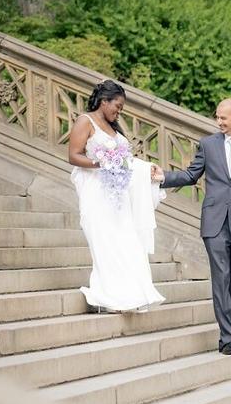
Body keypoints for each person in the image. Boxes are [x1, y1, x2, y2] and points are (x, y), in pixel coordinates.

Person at [152, 98, 231, 355]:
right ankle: (227, 337)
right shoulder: (207, 144)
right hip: (215, 222)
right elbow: (190, 174)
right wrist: (163, 177)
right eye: (217, 117)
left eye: (223, 118)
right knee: (222, 277)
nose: (219, 122)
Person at [69, 79, 165, 313]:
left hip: (118, 197)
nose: (119, 111)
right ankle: (108, 295)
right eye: (117, 106)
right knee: (105, 243)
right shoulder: (86, 121)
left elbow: (125, 162)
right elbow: (73, 156)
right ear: (104, 102)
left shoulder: (115, 128)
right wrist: (101, 162)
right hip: (96, 194)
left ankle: (129, 295)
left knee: (126, 243)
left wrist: (145, 169)